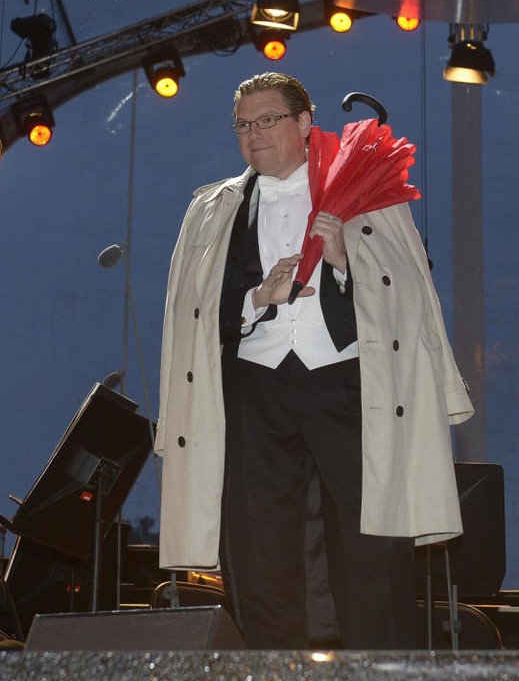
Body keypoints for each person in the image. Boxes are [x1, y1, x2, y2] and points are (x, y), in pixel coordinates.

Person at [154, 72, 474, 650]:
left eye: (267, 120)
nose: (254, 134)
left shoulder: (370, 196)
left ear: (305, 122)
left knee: (373, 538)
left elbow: (408, 296)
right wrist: (257, 298)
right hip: (254, 387)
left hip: (347, 381)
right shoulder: (212, 208)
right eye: (243, 125)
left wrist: (345, 261)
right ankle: (277, 667)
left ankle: (380, 668)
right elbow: (192, 313)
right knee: (258, 542)